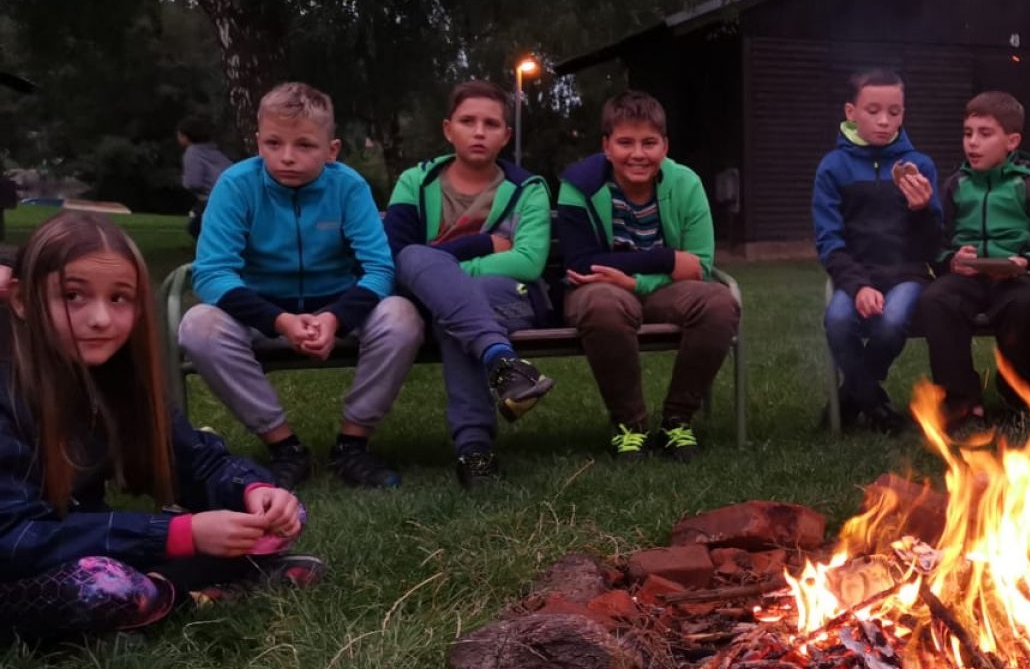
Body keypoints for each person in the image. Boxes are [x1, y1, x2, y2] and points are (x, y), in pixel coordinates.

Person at [1, 212, 322, 639]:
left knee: (275, 520)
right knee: (102, 585)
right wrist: (178, 534)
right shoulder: (8, 392)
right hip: (19, 564)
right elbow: (15, 538)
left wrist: (255, 491)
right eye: (73, 296)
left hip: (83, 546)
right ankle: (181, 593)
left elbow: (196, 460)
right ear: (21, 300)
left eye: (119, 299)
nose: (100, 318)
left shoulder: (116, 382)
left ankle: (157, 596)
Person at [178, 82, 425, 489]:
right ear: (258, 143)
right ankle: (284, 446)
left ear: (332, 150)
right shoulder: (235, 185)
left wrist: (336, 318)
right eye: (274, 143)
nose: (287, 157)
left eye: (305, 145)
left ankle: (353, 443)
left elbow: (379, 268)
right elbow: (212, 273)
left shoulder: (349, 187)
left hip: (336, 299)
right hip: (258, 305)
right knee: (197, 325)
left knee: (402, 316)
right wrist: (279, 321)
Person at [383, 80, 556, 488]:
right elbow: (397, 256)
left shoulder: (528, 189)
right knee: (418, 264)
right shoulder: (417, 181)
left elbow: (528, 262)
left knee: (458, 304)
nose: (479, 131)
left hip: (507, 299)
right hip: (431, 301)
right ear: (448, 129)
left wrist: (443, 268)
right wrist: (482, 245)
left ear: (506, 136)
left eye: (491, 123)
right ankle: (502, 366)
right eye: (468, 121)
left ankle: (474, 448)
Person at [555, 90, 741, 463]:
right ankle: (630, 426)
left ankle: (677, 421)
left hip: (660, 289)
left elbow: (699, 266)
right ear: (607, 147)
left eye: (649, 143)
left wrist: (638, 282)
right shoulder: (578, 186)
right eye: (625, 142)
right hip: (597, 288)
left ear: (665, 146)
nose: (638, 154)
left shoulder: (686, 183)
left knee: (720, 302)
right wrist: (668, 258)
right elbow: (581, 263)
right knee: (604, 305)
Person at [913, 91, 1030, 436]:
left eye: (984, 133)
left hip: (1013, 277)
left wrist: (1026, 261)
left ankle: (1016, 399)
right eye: (968, 133)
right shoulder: (957, 185)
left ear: (1012, 141)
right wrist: (952, 260)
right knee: (936, 300)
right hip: (967, 276)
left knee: (1023, 306)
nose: (973, 143)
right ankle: (962, 403)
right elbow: (939, 242)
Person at [813, 69, 942, 433]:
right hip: (856, 273)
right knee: (837, 320)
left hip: (906, 273)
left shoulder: (920, 165)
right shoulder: (833, 168)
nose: (885, 121)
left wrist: (921, 211)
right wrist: (858, 286)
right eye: (873, 110)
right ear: (851, 112)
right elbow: (829, 241)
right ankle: (876, 403)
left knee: (891, 323)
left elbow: (932, 246)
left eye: (895, 112)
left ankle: (851, 396)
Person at [178, 116, 234, 239]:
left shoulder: (192, 152)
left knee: (196, 229)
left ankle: (212, 253)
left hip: (214, 198)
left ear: (186, 136)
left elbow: (194, 182)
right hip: (231, 193)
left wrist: (184, 181)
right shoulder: (213, 150)